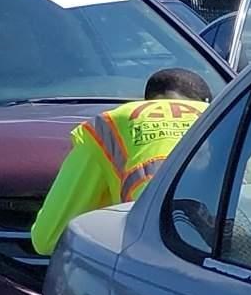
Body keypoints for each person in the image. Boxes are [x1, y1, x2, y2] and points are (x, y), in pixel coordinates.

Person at [31, 67, 214, 257]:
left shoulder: (109, 124)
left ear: (147, 101)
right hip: (226, 255)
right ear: (204, 102)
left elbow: (48, 238)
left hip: (152, 253)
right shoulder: (226, 116)